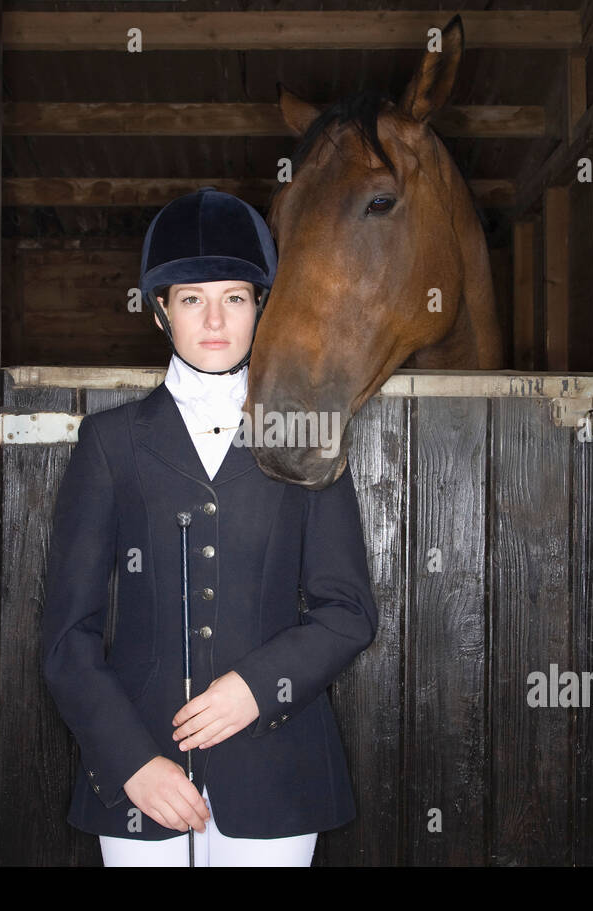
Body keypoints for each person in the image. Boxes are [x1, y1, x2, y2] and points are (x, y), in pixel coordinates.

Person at [40, 186, 379, 866]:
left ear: (260, 306)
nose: (215, 319)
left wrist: (258, 688)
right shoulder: (109, 444)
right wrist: (131, 760)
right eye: (192, 298)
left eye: (234, 297)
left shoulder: (310, 437)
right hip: (142, 775)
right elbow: (65, 637)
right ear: (162, 312)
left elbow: (349, 612)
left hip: (278, 771)